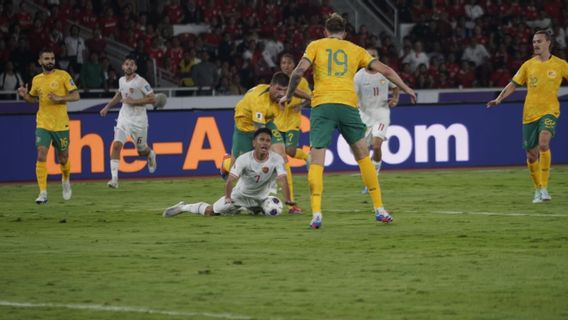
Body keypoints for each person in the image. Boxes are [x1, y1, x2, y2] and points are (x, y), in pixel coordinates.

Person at [279, 13, 416, 229]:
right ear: (344, 33)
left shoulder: (316, 45)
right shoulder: (355, 49)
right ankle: (379, 209)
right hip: (347, 106)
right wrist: (407, 89)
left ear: (325, 31)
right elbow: (387, 71)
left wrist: (289, 93)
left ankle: (316, 213)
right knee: (363, 156)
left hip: (323, 105)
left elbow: (298, 71)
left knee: (317, 159)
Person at [487, 30, 568, 203]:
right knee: (532, 155)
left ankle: (545, 188)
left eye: (539, 41)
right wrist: (499, 98)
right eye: (534, 42)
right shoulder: (528, 65)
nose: (536, 45)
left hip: (550, 110)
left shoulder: (560, 65)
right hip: (530, 114)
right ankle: (538, 189)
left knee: (544, 143)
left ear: (548, 43)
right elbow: (513, 84)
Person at [163, 128, 295, 217]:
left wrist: (288, 198)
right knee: (211, 212)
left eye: (267, 140)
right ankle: (183, 207)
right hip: (240, 196)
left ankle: (248, 209)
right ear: (254, 142)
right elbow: (230, 180)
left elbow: (283, 179)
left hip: (263, 198)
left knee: (272, 212)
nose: (265, 143)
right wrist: (227, 197)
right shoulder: (244, 159)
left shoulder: (276, 159)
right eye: (261, 140)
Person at [17, 49, 80, 204]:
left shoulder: (63, 75)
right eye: (46, 58)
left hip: (61, 124)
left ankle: (65, 180)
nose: (50, 61)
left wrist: (60, 98)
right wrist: (25, 96)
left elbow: (76, 95)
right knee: (41, 155)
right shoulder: (37, 80)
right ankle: (43, 193)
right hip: (43, 123)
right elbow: (33, 99)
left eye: (52, 58)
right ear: (40, 61)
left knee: (63, 158)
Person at [99, 56, 157, 188]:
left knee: (141, 151)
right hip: (124, 119)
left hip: (139, 121)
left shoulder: (141, 82)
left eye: (132, 64)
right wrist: (107, 107)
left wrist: (133, 102)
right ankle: (114, 179)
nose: (129, 66)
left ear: (135, 67)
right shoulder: (121, 80)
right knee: (116, 145)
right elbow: (120, 94)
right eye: (126, 64)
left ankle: (151, 154)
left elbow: (152, 99)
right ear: (123, 67)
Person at [220, 72, 289, 178]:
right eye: (279, 89)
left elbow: (295, 89)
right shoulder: (259, 101)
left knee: (281, 156)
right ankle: (226, 163)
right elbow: (260, 133)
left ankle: (278, 191)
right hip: (245, 127)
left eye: (285, 90)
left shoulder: (280, 97)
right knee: (237, 169)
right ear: (271, 85)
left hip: (266, 121)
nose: (282, 93)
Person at [355, 48, 400, 194]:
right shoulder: (358, 76)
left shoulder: (385, 72)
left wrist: (395, 98)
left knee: (376, 145)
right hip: (364, 117)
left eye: (373, 56)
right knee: (363, 151)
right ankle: (370, 176)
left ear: (378, 58)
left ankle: (375, 174)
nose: (371, 58)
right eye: (368, 56)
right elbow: (353, 96)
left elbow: (395, 86)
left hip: (381, 114)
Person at [271, 53, 312, 214]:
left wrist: (300, 105)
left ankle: (306, 157)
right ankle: (290, 202)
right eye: (283, 62)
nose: (286, 65)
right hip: (277, 122)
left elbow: (309, 97)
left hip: (293, 122)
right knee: (283, 158)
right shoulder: (277, 81)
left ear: (294, 65)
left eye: (289, 63)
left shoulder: (301, 81)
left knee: (289, 151)